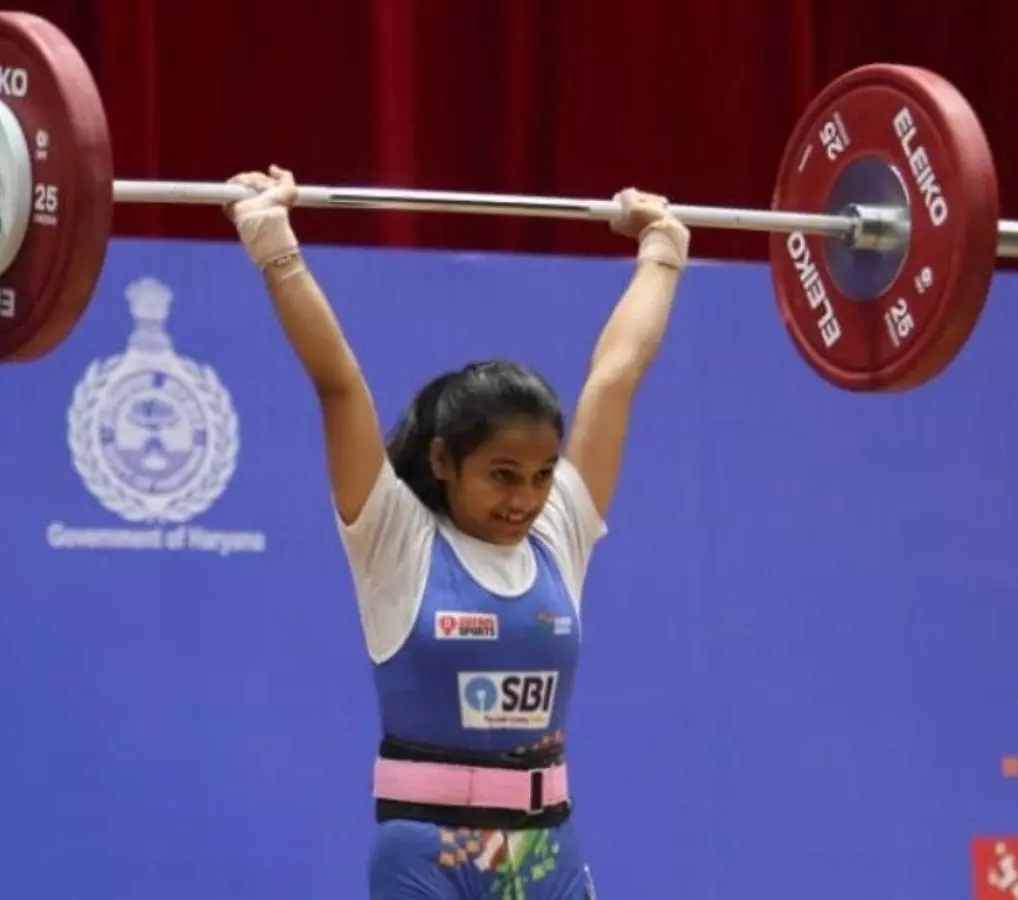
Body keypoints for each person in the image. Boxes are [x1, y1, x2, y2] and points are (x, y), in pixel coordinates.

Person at [224, 165, 690, 900]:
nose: (527, 499)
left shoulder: (558, 530)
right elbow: (338, 382)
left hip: (548, 857)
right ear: (444, 461)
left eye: (541, 475)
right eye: (503, 475)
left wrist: (663, 248)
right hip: (427, 860)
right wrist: (272, 241)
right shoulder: (394, 537)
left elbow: (615, 376)